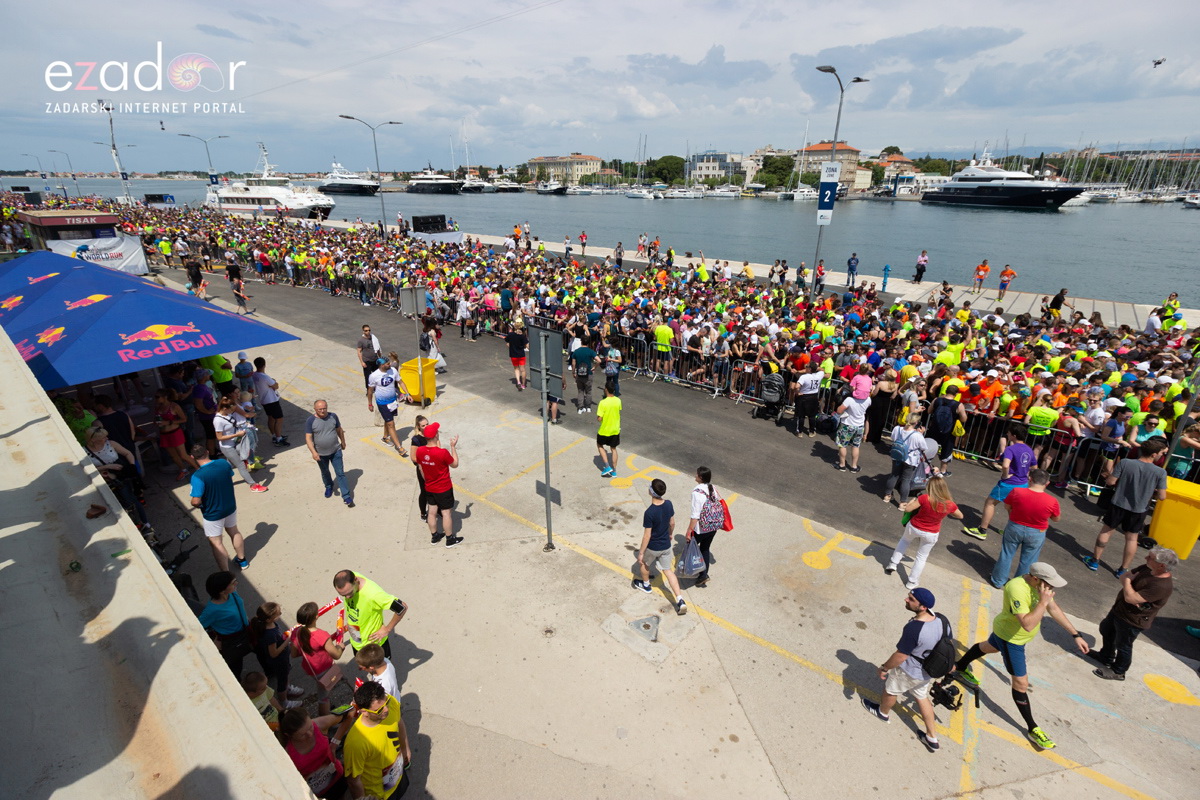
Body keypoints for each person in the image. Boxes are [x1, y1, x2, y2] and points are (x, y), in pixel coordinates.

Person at [944, 562, 1089, 750]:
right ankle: (1032, 728)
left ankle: (960, 667)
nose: (1052, 587)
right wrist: (1043, 602)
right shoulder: (1016, 589)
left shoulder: (1041, 587)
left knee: (988, 647)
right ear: (1036, 578)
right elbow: (1027, 624)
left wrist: (1075, 634)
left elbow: (1053, 609)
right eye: (1050, 583)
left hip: (1008, 632)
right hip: (1012, 640)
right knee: (1021, 684)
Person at [860, 587, 944, 752]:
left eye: (911, 599)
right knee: (921, 697)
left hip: (909, 671)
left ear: (923, 607)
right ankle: (932, 737)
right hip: (927, 671)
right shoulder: (941, 620)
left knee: (891, 690)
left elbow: (901, 656)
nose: (906, 600)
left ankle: (882, 712)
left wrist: (885, 668)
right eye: (909, 597)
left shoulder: (914, 628)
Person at [1083, 437, 1169, 575]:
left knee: (1106, 531)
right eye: (1161, 453)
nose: (1161, 455)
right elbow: (1162, 496)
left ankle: (1094, 561)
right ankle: (1123, 569)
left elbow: (1111, 482)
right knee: (1131, 539)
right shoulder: (1160, 472)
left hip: (1118, 504)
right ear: (1154, 454)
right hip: (1139, 509)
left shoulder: (1125, 463)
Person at [1091, 547, 1177, 681]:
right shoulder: (1148, 568)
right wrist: (1128, 586)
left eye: (1150, 558)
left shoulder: (1161, 586)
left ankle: (1119, 671)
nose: (1146, 559)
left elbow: (1130, 597)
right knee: (1106, 629)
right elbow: (1124, 577)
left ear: (1162, 565)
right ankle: (1106, 656)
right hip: (1120, 609)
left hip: (1133, 620)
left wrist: (1127, 584)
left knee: (1123, 645)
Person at [987, 469, 1060, 589]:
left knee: (1006, 554)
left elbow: (1007, 506)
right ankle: (1019, 585)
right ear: (1047, 483)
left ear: (1030, 479)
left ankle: (998, 581)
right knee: (1028, 560)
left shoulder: (1017, 491)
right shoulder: (1052, 501)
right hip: (1037, 532)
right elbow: (1056, 519)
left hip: (1015, 526)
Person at [886, 476, 962, 589]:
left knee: (904, 541)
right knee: (921, 557)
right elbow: (960, 516)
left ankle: (893, 564)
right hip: (931, 533)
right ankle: (911, 582)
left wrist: (911, 502)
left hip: (914, 527)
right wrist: (948, 512)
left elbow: (907, 509)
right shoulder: (949, 504)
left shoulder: (925, 498)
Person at [962, 425, 1036, 540]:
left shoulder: (1011, 449)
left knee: (990, 503)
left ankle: (982, 530)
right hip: (1023, 484)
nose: (1007, 435)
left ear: (1014, 436)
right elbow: (1034, 467)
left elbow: (1005, 465)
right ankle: (1010, 531)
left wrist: (1005, 476)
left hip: (1009, 483)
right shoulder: (1029, 449)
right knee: (1011, 507)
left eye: (1009, 433)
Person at [343, 681, 411, 800]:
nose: (386, 710)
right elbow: (354, 781)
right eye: (379, 710)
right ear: (364, 712)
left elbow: (399, 722)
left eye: (386, 703)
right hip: (379, 794)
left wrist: (405, 749)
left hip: (399, 775)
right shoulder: (356, 743)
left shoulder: (390, 702)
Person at [189, 444, 250, 571]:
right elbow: (229, 476)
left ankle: (226, 573)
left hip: (213, 513)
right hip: (230, 506)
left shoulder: (198, 476)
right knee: (234, 532)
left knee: (216, 543)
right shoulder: (223, 463)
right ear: (207, 451)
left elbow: (196, 500)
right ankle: (242, 561)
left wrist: (196, 503)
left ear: (192, 457)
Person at [634, 478, 687, 615]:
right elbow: (672, 523)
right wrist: (670, 534)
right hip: (665, 545)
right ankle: (680, 599)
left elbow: (647, 535)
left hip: (653, 547)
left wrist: (641, 553)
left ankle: (646, 585)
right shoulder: (668, 504)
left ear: (651, 492)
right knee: (668, 570)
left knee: (644, 564)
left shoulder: (650, 512)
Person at [333, 570, 409, 660]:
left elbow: (402, 607)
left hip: (374, 646)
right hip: (356, 640)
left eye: (349, 593)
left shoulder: (374, 594)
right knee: (364, 666)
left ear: (356, 580)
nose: (347, 598)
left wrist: (387, 629)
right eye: (343, 595)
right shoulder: (350, 577)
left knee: (381, 671)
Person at [278, 707, 352, 799]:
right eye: (302, 734)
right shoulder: (286, 754)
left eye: (310, 727)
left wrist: (334, 743)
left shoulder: (319, 724)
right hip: (317, 795)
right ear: (288, 735)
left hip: (338, 778)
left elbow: (349, 714)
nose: (309, 734)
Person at [291, 601, 347, 716]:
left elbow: (294, 654)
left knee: (323, 689)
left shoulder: (296, 633)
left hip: (311, 669)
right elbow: (336, 654)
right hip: (323, 669)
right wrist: (340, 647)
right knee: (324, 697)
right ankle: (326, 719)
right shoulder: (321, 635)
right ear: (316, 616)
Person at [411, 422, 463, 547]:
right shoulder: (442, 453)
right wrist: (453, 447)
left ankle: (435, 536)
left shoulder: (420, 451)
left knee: (432, 512)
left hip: (429, 487)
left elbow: (421, 468)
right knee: (446, 513)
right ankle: (450, 539)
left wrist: (427, 480)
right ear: (436, 436)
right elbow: (455, 464)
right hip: (443, 488)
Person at [250, 601, 303, 707]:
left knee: (285, 674)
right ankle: (284, 701)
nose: (280, 614)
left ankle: (287, 688)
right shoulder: (270, 634)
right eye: (278, 613)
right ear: (269, 619)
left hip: (282, 659)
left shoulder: (270, 625)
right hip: (279, 661)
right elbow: (273, 653)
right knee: (282, 680)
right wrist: (287, 641)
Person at [198, 571, 251, 674]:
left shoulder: (232, 594)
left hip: (246, 630)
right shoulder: (211, 610)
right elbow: (198, 626)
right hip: (232, 641)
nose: (236, 584)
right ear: (222, 592)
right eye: (232, 583)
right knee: (236, 666)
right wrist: (214, 640)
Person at [214, 395, 268, 493]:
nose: (232, 412)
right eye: (231, 410)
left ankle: (220, 480)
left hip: (235, 442)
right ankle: (253, 485)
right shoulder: (218, 420)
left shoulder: (227, 414)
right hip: (227, 447)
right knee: (241, 465)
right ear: (225, 408)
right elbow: (219, 437)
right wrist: (236, 434)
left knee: (229, 465)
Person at [306, 398, 352, 507]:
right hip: (321, 454)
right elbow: (308, 438)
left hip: (336, 450)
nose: (322, 411)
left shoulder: (333, 416)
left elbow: (339, 430)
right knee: (325, 472)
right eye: (320, 409)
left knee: (340, 473)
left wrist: (343, 442)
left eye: (324, 408)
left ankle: (346, 496)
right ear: (315, 409)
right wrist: (313, 452)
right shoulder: (310, 421)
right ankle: (328, 486)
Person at [685, 466, 724, 587]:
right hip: (713, 525)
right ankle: (703, 574)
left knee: (691, 549)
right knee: (705, 549)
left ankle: (692, 570)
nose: (695, 475)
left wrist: (689, 530)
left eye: (697, 474)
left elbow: (695, 515)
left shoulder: (697, 492)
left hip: (701, 528)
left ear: (700, 477)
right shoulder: (713, 488)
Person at [367, 354, 411, 458]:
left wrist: (407, 394)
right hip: (382, 402)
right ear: (382, 365)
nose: (390, 364)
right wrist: (370, 403)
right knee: (391, 423)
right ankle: (399, 447)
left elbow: (400, 382)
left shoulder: (393, 371)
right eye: (387, 363)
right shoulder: (374, 376)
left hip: (392, 401)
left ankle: (385, 437)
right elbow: (370, 390)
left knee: (388, 420)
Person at [153, 389, 199, 481]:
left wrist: (169, 422)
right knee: (173, 456)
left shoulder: (174, 406)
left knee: (183, 455)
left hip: (175, 433)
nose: (155, 399)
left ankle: (198, 469)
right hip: (164, 435)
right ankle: (183, 470)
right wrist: (157, 422)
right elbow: (155, 420)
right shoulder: (157, 407)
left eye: (157, 397)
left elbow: (184, 419)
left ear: (165, 397)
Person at [882, 415, 927, 505]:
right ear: (916, 423)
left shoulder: (897, 429)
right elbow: (923, 447)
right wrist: (921, 434)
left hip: (897, 456)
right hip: (910, 459)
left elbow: (893, 438)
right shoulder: (917, 435)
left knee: (894, 475)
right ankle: (903, 502)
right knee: (906, 480)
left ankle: (887, 495)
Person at [251, 357, 288, 447]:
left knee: (271, 418)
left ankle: (274, 435)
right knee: (279, 419)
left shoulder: (255, 375)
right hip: (272, 400)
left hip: (264, 400)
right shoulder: (264, 377)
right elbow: (275, 386)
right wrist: (274, 381)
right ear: (264, 365)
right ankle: (279, 439)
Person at [835, 391, 871, 473]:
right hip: (859, 426)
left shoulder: (849, 400)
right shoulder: (868, 399)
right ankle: (854, 466)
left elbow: (839, 411)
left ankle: (842, 465)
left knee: (842, 445)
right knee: (855, 446)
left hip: (847, 424)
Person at [596, 381, 621, 478]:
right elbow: (618, 411)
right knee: (613, 449)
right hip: (615, 429)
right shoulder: (618, 401)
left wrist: (599, 417)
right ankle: (614, 471)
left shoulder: (603, 403)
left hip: (604, 430)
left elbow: (599, 418)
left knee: (600, 445)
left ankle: (607, 466)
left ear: (606, 389)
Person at [569, 335, 598, 413]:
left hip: (579, 373)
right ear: (588, 342)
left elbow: (573, 363)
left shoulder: (576, 351)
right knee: (588, 391)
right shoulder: (590, 351)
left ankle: (580, 407)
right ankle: (588, 407)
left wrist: (573, 372)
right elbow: (599, 360)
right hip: (588, 373)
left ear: (581, 341)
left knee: (580, 391)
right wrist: (595, 367)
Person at [505, 318, 529, 390]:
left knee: (516, 369)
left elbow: (507, 341)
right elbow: (527, 345)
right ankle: (523, 384)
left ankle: (518, 381)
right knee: (523, 370)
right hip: (521, 354)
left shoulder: (511, 335)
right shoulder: (522, 336)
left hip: (513, 354)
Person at [357, 324, 382, 390]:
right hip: (367, 360)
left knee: (377, 374)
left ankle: (378, 388)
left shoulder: (373, 338)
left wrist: (380, 358)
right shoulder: (361, 340)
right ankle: (368, 390)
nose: (368, 332)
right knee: (368, 376)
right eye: (366, 331)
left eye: (369, 330)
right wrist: (362, 362)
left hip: (375, 359)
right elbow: (359, 351)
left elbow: (378, 348)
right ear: (363, 331)